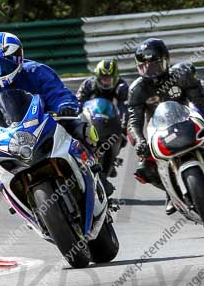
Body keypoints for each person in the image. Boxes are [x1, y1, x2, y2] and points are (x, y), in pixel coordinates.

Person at [0, 31, 94, 165]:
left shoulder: (36, 71)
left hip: (48, 125)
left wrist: (65, 106)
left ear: (18, 58)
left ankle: (95, 170)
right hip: (11, 142)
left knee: (83, 131)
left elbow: (57, 93)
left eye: (5, 64)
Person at [125, 38, 178, 214]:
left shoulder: (180, 76)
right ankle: (173, 192)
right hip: (161, 132)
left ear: (165, 61)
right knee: (144, 169)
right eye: (144, 66)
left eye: (154, 65)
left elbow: (201, 96)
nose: (150, 70)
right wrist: (140, 141)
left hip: (190, 122)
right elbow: (134, 121)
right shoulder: (137, 89)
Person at [76, 59, 129, 131]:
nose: (106, 82)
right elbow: (78, 102)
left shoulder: (121, 87)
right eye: (103, 79)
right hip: (92, 119)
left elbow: (125, 108)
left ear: (115, 77)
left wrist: (123, 127)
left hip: (113, 121)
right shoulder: (89, 84)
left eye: (109, 79)